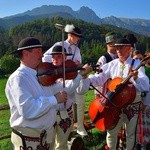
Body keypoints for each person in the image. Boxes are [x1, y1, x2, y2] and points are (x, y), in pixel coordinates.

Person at [5, 37, 91, 150]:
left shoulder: (40, 75)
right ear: (25, 53)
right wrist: (54, 99)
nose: (42, 55)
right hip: (29, 139)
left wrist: (81, 75)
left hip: (44, 137)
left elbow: (61, 90)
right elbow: (27, 109)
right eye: (38, 52)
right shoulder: (18, 78)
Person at [77, 38, 149, 150]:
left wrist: (136, 78)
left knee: (130, 134)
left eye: (121, 47)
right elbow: (99, 78)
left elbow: (145, 84)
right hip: (114, 106)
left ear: (129, 49)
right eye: (117, 48)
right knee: (111, 132)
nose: (118, 50)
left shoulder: (137, 63)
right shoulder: (112, 64)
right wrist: (86, 77)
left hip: (132, 105)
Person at [43, 24, 88, 136]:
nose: (78, 39)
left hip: (71, 77)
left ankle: (79, 127)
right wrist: (59, 65)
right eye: (77, 37)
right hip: (57, 78)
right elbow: (45, 57)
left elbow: (78, 62)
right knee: (61, 100)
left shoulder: (76, 49)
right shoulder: (59, 45)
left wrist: (77, 65)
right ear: (70, 35)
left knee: (79, 101)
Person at [48, 45, 91, 150]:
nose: (55, 59)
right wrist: (79, 76)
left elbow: (81, 90)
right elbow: (65, 90)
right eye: (53, 57)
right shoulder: (47, 72)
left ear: (65, 58)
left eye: (58, 57)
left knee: (62, 145)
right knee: (49, 144)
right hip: (50, 113)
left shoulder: (72, 73)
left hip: (66, 114)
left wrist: (84, 77)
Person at [95, 32, 118, 98]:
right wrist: (98, 94)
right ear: (108, 44)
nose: (115, 46)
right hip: (106, 93)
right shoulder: (103, 58)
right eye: (113, 44)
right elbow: (98, 76)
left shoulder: (119, 57)